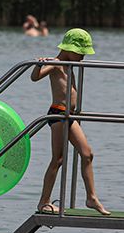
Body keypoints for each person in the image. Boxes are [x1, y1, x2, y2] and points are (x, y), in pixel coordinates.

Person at [31, 28, 110, 215]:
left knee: (87, 154)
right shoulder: (57, 63)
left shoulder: (69, 64)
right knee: (58, 160)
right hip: (58, 115)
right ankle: (44, 202)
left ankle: (91, 198)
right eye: (80, 53)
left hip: (69, 116)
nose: (83, 57)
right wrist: (38, 64)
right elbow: (35, 78)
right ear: (68, 48)